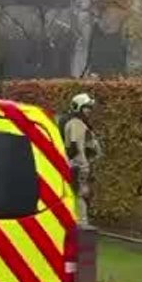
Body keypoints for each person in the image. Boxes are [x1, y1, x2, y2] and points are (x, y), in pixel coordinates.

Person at [61, 93, 102, 226]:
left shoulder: (74, 123)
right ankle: (82, 223)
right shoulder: (80, 124)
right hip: (80, 165)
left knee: (76, 194)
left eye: (89, 108)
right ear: (78, 107)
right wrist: (85, 162)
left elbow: (74, 146)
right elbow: (83, 147)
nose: (88, 111)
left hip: (75, 164)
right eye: (86, 108)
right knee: (80, 194)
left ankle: (78, 222)